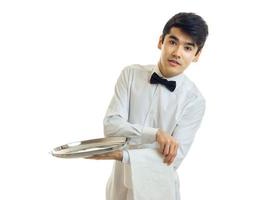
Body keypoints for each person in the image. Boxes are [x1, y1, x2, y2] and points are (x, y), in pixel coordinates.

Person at [87, 12, 208, 200]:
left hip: (159, 190)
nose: (177, 53)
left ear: (197, 55)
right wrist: (156, 134)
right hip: (117, 189)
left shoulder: (194, 101)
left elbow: (172, 159)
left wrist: (123, 155)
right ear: (161, 41)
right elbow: (111, 126)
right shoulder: (130, 75)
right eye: (173, 42)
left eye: (187, 47)